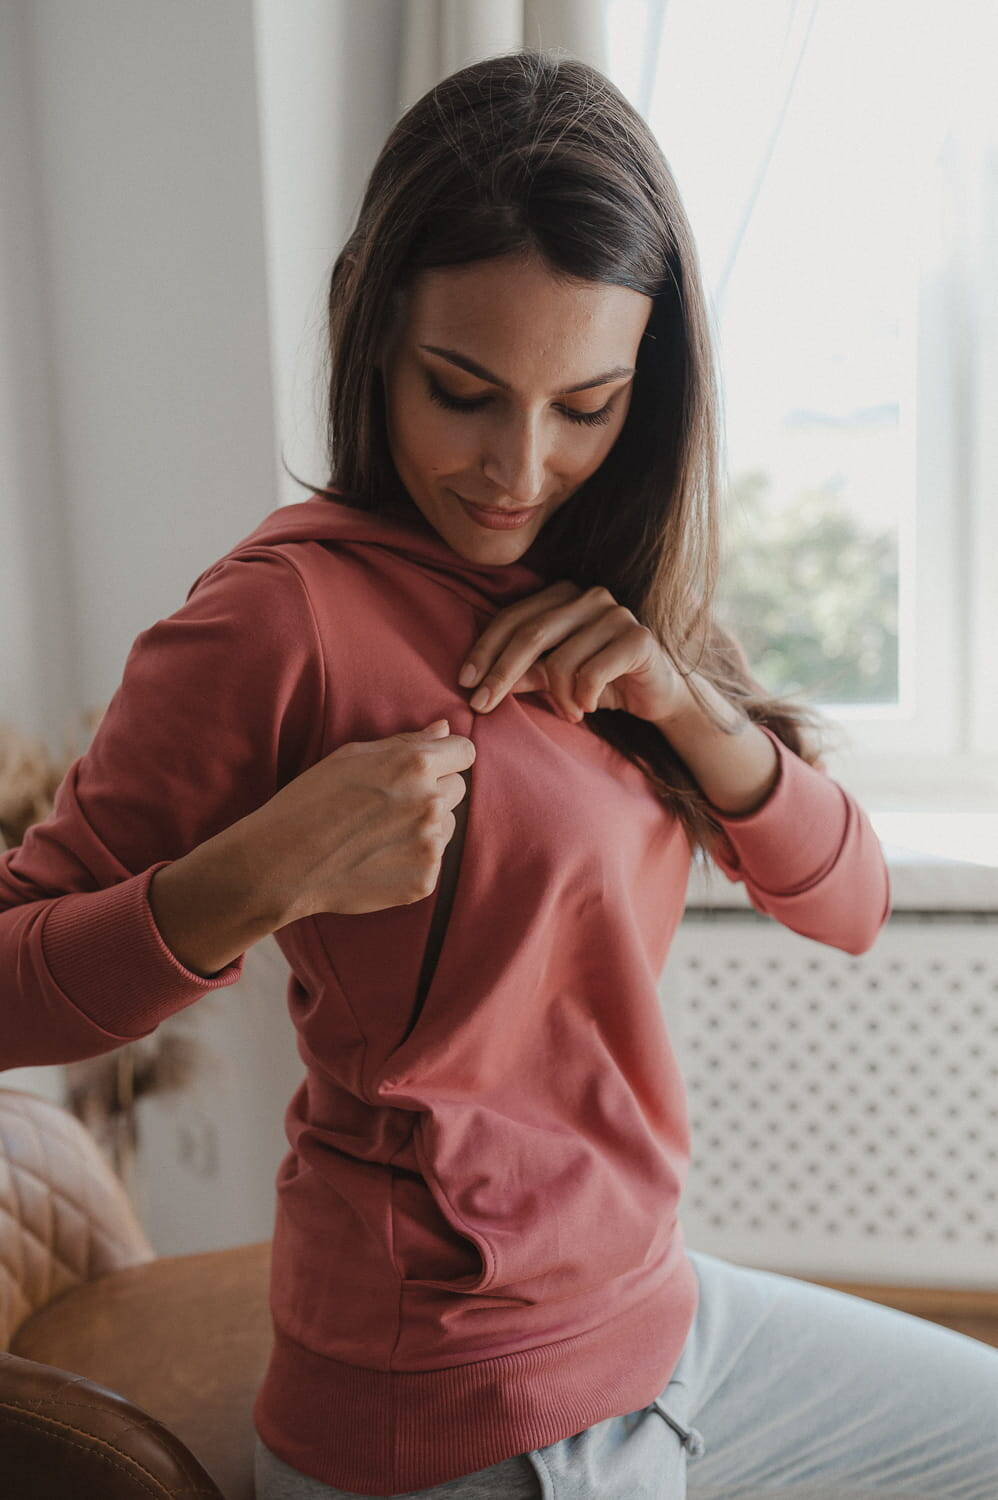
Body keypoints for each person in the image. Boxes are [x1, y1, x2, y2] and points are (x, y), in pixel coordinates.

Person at [3, 46, 996, 1500]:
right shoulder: (279, 619)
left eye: (583, 406)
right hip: (456, 1406)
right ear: (371, 332)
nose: (517, 469)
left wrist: (681, 699)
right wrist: (258, 874)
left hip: (665, 1319)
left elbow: (844, 903)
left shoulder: (615, 581)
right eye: (461, 390)